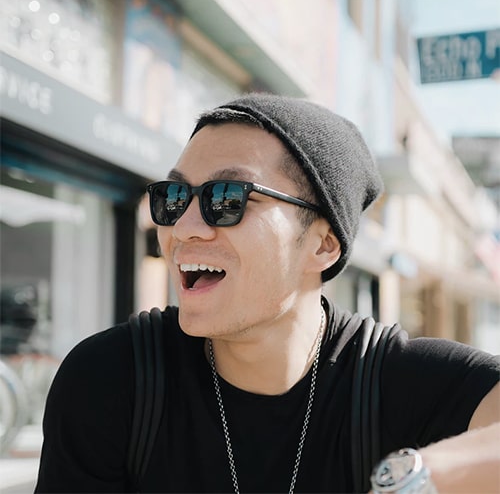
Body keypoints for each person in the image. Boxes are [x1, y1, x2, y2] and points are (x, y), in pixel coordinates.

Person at [35, 93, 499, 493]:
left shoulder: (395, 382)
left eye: (227, 199)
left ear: (323, 245)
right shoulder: (114, 379)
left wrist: (414, 478)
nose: (184, 227)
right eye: (174, 198)